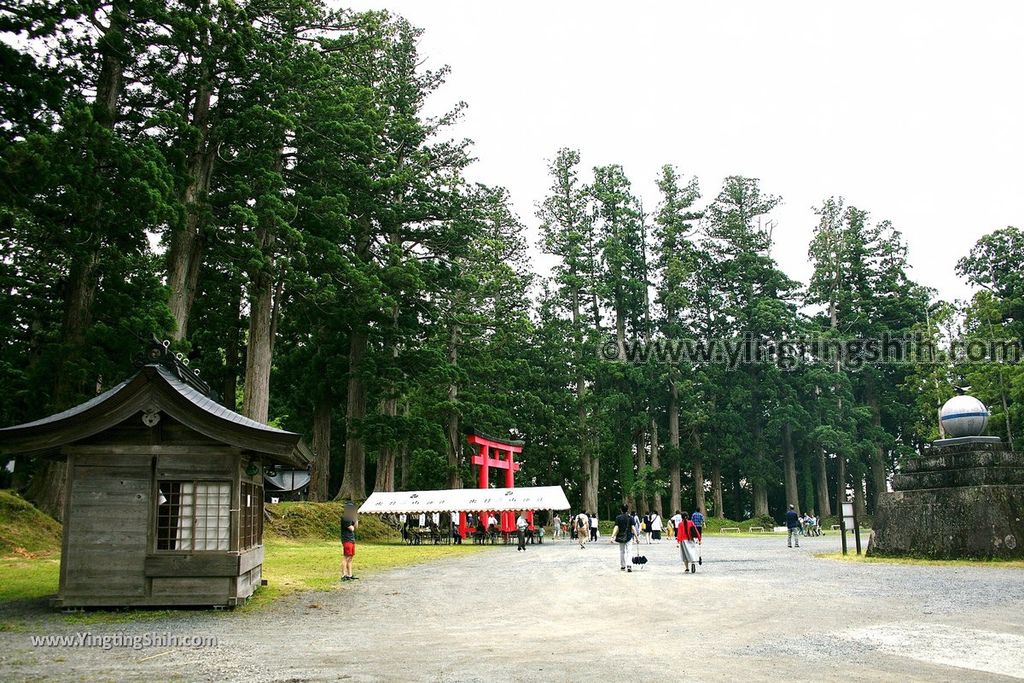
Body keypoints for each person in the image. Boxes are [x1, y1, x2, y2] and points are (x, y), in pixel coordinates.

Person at [610, 504, 635, 572]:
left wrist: (612, 536)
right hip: (629, 536)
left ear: (621, 510)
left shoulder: (618, 517)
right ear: (627, 509)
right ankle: (629, 565)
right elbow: (633, 528)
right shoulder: (630, 517)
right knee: (629, 551)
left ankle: (623, 565)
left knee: (622, 551)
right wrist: (637, 537)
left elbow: (616, 527)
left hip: (621, 536)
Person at [340, 504, 358, 581]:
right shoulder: (345, 518)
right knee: (346, 557)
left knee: (350, 558)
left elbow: (356, 527)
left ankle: (350, 575)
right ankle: (344, 575)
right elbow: (352, 528)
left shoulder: (351, 518)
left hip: (351, 539)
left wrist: (356, 519)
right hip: (347, 540)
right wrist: (353, 522)